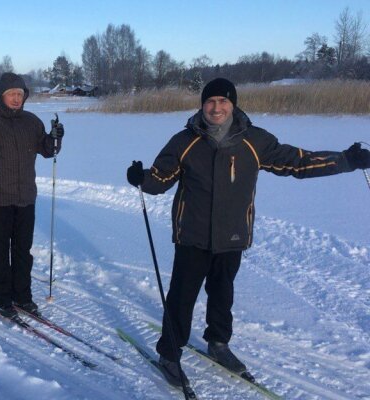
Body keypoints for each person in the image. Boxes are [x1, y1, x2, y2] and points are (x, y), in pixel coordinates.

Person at [126, 77, 370, 388]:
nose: (217, 107)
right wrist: (141, 177)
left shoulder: (254, 141)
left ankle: (218, 343)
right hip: (193, 236)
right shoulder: (184, 141)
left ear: (233, 104)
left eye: (223, 101)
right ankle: (170, 355)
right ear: (202, 105)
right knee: (181, 298)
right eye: (211, 101)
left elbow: (297, 162)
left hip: (232, 235)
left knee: (222, 294)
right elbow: (160, 180)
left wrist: (346, 160)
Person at [0, 72, 64, 319]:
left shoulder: (32, 121)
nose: (17, 98)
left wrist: (55, 137)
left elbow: (47, 150)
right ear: (2, 95)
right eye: (12, 94)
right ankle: (1, 299)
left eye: (20, 94)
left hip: (26, 196)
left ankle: (22, 296)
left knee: (22, 251)